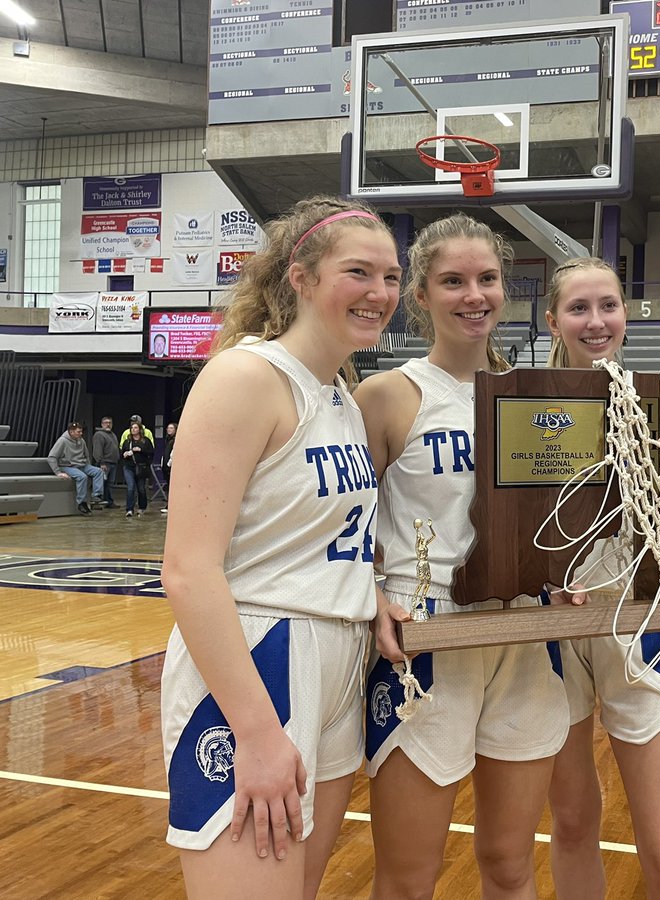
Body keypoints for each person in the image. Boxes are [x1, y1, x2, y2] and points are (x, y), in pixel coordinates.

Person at [158, 195, 401, 898]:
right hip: (261, 658)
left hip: (338, 658)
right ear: (301, 277)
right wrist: (258, 732)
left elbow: (314, 538)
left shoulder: (341, 395)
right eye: (359, 272)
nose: (380, 292)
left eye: (391, 276)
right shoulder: (245, 377)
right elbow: (188, 571)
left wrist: (370, 592)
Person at [357, 214, 570, 899]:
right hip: (425, 637)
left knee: (510, 863)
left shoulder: (534, 398)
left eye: (488, 279)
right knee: (409, 876)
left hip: (522, 632)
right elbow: (341, 523)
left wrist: (562, 576)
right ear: (421, 294)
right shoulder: (387, 395)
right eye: (453, 281)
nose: (474, 295)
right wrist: (371, 596)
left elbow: (556, 522)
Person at [540, 257, 660, 900]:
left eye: (608, 305)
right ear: (552, 320)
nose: (596, 321)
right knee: (573, 821)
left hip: (641, 620)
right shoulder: (522, 399)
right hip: (553, 625)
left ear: (627, 314)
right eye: (578, 308)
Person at [48, 421, 105, 515]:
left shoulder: (81, 441)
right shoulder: (62, 441)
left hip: (81, 465)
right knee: (82, 477)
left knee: (98, 471)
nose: (81, 433)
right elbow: (51, 457)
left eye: (81, 431)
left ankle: (96, 496)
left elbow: (86, 455)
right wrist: (58, 472)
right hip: (67, 466)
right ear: (71, 432)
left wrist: (88, 466)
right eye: (78, 432)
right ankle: (81, 503)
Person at [120, 420, 153, 517]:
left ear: (140, 429)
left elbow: (151, 453)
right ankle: (129, 509)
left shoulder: (145, 441)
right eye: (132, 428)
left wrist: (141, 450)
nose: (133, 429)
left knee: (141, 488)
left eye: (135, 428)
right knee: (130, 487)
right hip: (129, 466)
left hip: (141, 467)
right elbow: (122, 453)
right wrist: (125, 454)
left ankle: (142, 507)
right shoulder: (127, 441)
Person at [92, 416, 120, 508]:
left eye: (110, 423)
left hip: (113, 462)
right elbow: (97, 450)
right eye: (106, 422)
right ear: (102, 424)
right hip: (104, 463)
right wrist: (101, 462)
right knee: (101, 483)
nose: (108, 424)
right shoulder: (99, 435)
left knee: (110, 484)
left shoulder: (112, 434)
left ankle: (109, 502)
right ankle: (97, 503)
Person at [161, 421, 177, 513]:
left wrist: (168, 464)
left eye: (171, 428)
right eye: (168, 428)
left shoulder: (175, 440)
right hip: (166, 465)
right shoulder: (168, 440)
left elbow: (173, 453)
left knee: (171, 486)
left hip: (170, 466)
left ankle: (170, 506)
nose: (169, 430)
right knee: (168, 485)